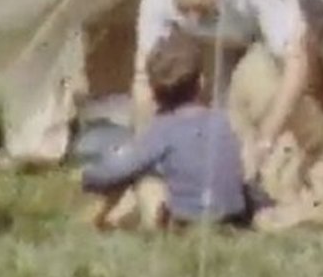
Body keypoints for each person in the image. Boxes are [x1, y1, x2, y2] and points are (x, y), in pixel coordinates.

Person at [131, 0, 323, 187]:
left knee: (259, 85)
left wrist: (266, 139)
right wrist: (142, 157)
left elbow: (297, 60)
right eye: (183, 8)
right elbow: (144, 78)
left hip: (303, 26)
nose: (193, 17)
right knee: (227, 125)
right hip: (227, 42)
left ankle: (318, 145)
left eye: (200, 5)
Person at [82, 29, 250, 228]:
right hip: (233, 218)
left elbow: (119, 170)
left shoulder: (163, 129)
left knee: (144, 179)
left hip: (187, 223)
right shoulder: (223, 121)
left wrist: (89, 175)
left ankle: (99, 222)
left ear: (153, 92)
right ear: (202, 82)